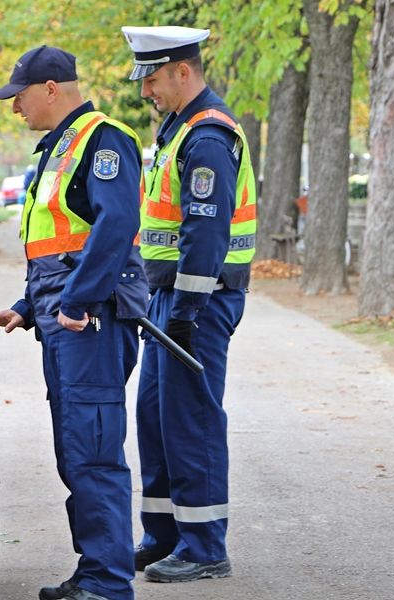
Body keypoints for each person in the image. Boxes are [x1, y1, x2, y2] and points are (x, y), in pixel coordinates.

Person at [0, 46, 148, 600]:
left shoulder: (103, 140)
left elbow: (116, 225)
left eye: (20, 96)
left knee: (94, 451)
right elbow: (60, 246)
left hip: (89, 323)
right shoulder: (58, 149)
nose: (15, 108)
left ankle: (108, 582)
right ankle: (94, 569)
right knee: (77, 450)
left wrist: (77, 301)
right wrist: (27, 308)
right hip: (66, 321)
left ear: (51, 88)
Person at [120, 25, 257, 583]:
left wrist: (185, 311)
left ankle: (205, 547)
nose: (145, 90)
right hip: (169, 297)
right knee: (155, 417)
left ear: (183, 71)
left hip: (198, 301)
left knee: (191, 420)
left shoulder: (206, 137)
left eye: (152, 78)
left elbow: (207, 232)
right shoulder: (178, 128)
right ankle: (164, 534)